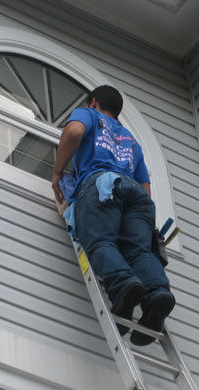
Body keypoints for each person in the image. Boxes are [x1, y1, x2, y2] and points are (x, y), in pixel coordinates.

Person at [52, 85, 174, 346]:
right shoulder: (131, 140)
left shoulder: (90, 115)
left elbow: (73, 132)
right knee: (138, 251)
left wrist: (57, 173)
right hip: (137, 198)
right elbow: (145, 188)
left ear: (93, 102)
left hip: (101, 186)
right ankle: (157, 294)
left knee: (100, 241)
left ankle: (123, 287)